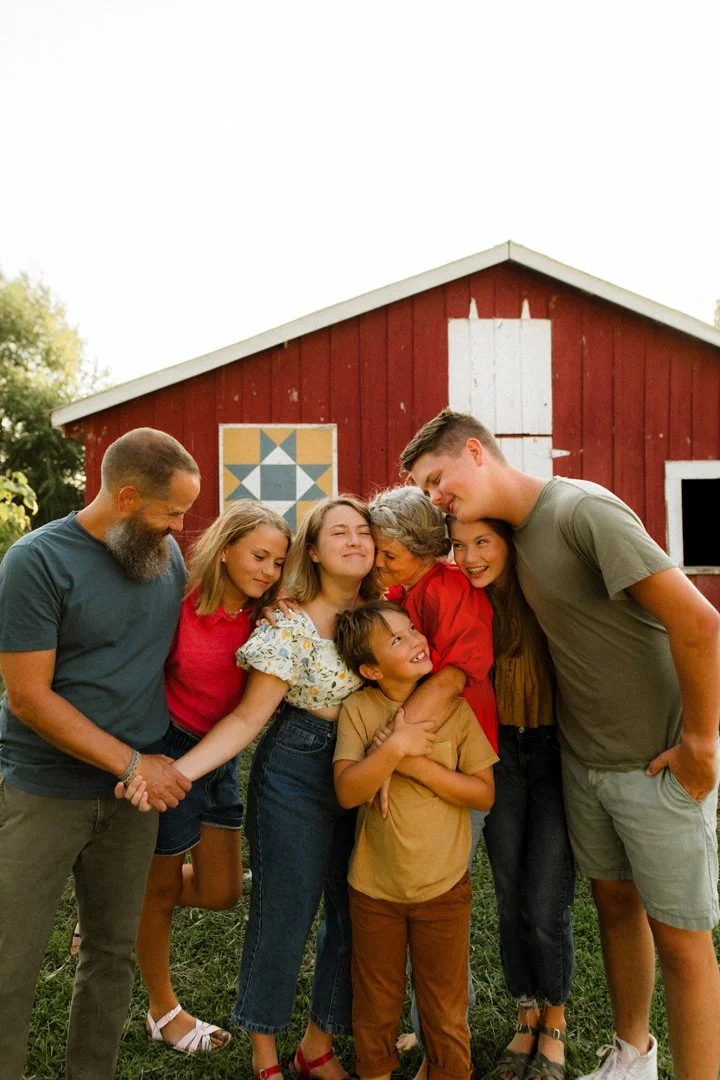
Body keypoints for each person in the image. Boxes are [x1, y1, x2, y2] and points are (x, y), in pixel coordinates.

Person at [401, 409, 720, 1080]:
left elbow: (699, 623)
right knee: (614, 904)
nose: (436, 499)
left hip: (656, 760)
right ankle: (634, 1056)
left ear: (474, 452)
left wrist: (700, 742)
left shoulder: (582, 511)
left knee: (684, 940)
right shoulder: (518, 533)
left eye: (437, 479)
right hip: (583, 759)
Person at [123, 495, 378, 1080]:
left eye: (364, 531)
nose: (355, 540)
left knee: (347, 909)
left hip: (358, 765)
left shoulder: (378, 614)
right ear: (314, 552)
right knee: (277, 908)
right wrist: (161, 765)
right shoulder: (268, 621)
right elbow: (246, 717)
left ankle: (318, 1044)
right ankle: (256, 1049)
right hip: (255, 757)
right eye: (339, 532)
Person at [0, 427, 200, 1080]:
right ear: (126, 496)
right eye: (170, 512)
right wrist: (133, 762)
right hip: (43, 789)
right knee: (10, 963)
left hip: (129, 799)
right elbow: (28, 697)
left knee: (111, 956)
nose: (179, 527)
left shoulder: (163, 556)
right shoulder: (36, 562)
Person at [131, 501, 291, 1054]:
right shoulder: (178, 606)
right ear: (226, 549)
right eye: (260, 556)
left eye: (278, 562)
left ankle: (119, 900)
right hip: (168, 748)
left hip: (221, 754)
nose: (269, 571)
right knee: (160, 889)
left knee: (221, 892)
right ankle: (162, 1009)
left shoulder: (266, 617)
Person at [333, 600, 497, 1080]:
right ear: (370, 669)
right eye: (397, 640)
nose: (415, 640)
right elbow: (347, 791)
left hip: (444, 890)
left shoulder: (455, 711)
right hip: (373, 891)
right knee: (376, 1006)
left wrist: (411, 761)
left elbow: (483, 793)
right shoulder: (359, 711)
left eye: (411, 630)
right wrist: (393, 749)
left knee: (445, 1010)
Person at [449, 516, 575, 1080]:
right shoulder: (463, 600)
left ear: (508, 542)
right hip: (495, 756)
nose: (470, 556)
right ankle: (526, 1014)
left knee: (545, 901)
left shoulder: (544, 587)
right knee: (507, 892)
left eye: (483, 543)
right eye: (460, 546)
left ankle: (555, 1022)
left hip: (554, 755)